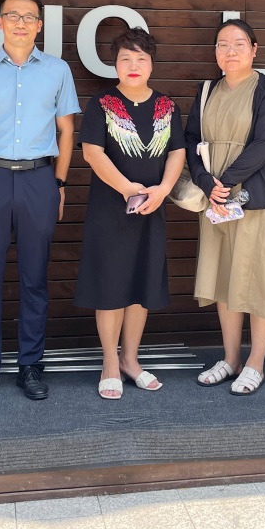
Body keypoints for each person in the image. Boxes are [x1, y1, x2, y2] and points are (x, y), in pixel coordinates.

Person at [0, 0, 80, 403]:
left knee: (34, 279)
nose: (21, 23)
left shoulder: (57, 70)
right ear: (0, 22)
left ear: (39, 25)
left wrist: (58, 184)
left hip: (38, 179)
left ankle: (30, 366)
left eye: (29, 17)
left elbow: (66, 131)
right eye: (13, 15)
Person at [75, 28, 186, 400]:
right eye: (125, 58)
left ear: (151, 64)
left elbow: (177, 151)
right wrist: (126, 188)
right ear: (115, 64)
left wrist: (163, 189)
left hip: (152, 207)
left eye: (141, 58)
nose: (133, 65)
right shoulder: (102, 103)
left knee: (142, 285)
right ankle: (109, 362)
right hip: (110, 210)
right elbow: (92, 152)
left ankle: (130, 360)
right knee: (111, 286)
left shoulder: (167, 106)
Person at [185, 19, 265, 396]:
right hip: (215, 199)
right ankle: (230, 359)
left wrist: (224, 182)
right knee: (224, 276)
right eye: (223, 44)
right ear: (215, 52)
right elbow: (191, 139)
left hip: (253, 196)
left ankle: (256, 363)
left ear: (254, 50)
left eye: (239, 44)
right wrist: (205, 181)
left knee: (259, 278)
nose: (230, 51)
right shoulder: (206, 90)